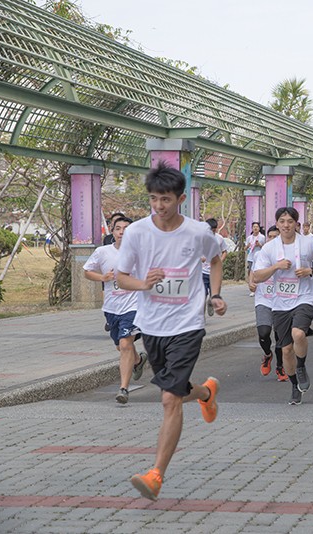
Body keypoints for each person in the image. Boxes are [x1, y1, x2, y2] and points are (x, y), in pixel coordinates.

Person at [117, 162, 226, 501]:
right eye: (153, 199)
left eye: (165, 199)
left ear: (180, 198)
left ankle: (156, 475)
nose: (159, 206)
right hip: (152, 324)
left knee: (168, 399)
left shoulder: (197, 232)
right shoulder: (136, 232)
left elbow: (216, 259)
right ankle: (206, 394)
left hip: (188, 324)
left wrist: (217, 294)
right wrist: (142, 283)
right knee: (176, 391)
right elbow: (121, 277)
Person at [253, 207, 313, 405]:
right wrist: (276, 267)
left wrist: (310, 270)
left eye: (290, 221)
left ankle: (301, 366)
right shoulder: (269, 248)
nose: (286, 225)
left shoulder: (307, 242)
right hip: (279, 302)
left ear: (296, 223)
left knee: (298, 334)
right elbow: (256, 276)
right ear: (277, 223)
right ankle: (294, 385)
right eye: (282, 221)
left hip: (304, 297)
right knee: (286, 350)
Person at [83, 216, 147, 404]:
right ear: (113, 232)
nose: (122, 232)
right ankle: (137, 361)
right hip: (112, 308)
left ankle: (123, 389)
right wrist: (103, 277)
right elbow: (87, 271)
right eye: (118, 228)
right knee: (121, 346)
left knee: (126, 345)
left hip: (134, 306)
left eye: (126, 228)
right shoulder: (102, 252)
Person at [249, 225, 287, 381]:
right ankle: (267, 355)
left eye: (275, 236)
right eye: (269, 236)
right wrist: (250, 283)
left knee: (280, 337)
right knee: (264, 333)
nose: (272, 239)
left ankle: (280, 367)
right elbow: (252, 272)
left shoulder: (287, 255)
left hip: (281, 301)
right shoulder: (260, 254)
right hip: (263, 299)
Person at [201, 218, 228, 316]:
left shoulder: (219, 238)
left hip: (213, 272)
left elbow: (225, 251)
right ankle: (201, 317)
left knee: (214, 295)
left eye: (214, 230)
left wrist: (220, 261)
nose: (212, 232)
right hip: (203, 272)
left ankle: (211, 302)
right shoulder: (200, 238)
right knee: (201, 296)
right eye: (210, 230)